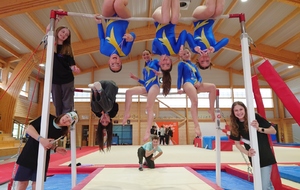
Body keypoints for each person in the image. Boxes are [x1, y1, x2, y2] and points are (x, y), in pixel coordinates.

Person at [14, 111, 78, 190]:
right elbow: (29, 129)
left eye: (69, 121)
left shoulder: (62, 132)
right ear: (64, 115)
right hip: (29, 153)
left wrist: (55, 148)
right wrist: (41, 139)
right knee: (22, 182)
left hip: (43, 157)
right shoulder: (47, 118)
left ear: (70, 124)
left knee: (37, 183)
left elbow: (49, 142)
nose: (65, 120)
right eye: (67, 117)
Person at [122, 50, 172, 142]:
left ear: (150, 55)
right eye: (143, 54)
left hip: (154, 86)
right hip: (146, 87)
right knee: (128, 92)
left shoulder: (155, 62)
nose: (145, 56)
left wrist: (160, 73)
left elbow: (165, 69)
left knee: (148, 107)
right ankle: (126, 113)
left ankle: (147, 131)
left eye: (147, 54)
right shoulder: (144, 69)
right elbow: (145, 82)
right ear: (142, 57)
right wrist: (136, 78)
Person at [229, 101, 277, 190]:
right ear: (233, 112)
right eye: (236, 110)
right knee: (267, 185)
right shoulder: (235, 125)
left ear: (245, 109)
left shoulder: (255, 117)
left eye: (241, 109)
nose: (239, 112)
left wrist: (259, 128)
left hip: (265, 155)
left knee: (263, 186)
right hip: (254, 156)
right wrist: (247, 153)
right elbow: (237, 144)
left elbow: (273, 130)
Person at [46, 13, 81, 116]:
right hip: (55, 79)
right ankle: (60, 121)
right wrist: (57, 19)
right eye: (63, 32)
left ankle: (66, 122)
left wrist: (75, 68)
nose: (64, 35)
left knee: (67, 103)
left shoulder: (67, 49)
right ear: (58, 31)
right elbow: (48, 30)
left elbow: (71, 63)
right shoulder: (52, 43)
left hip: (67, 79)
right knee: (57, 103)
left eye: (66, 35)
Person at [177, 47, 216, 137]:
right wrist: (179, 88)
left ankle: (211, 109)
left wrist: (199, 82)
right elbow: (179, 77)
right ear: (181, 56)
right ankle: (196, 125)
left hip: (196, 83)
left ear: (190, 53)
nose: (186, 55)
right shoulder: (181, 64)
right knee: (195, 101)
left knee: (212, 87)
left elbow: (199, 76)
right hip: (188, 83)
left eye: (187, 53)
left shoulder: (194, 65)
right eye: (184, 54)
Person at [94, 0, 136, 73]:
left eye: (112, 64)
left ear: (108, 62)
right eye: (118, 64)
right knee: (118, 4)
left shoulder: (103, 50)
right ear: (121, 62)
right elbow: (133, 34)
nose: (115, 61)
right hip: (124, 19)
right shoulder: (125, 52)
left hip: (109, 19)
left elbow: (101, 37)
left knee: (108, 1)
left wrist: (99, 23)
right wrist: (131, 37)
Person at [186, 0, 229, 70]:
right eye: (207, 61)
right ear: (210, 59)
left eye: (202, 61)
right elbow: (226, 39)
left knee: (211, 10)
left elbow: (188, 35)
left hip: (197, 19)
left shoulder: (195, 50)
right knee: (219, 9)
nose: (205, 58)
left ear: (198, 60)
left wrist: (194, 46)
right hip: (211, 19)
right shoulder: (213, 48)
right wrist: (215, 48)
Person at [88, 80, 119, 152]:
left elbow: (92, 105)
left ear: (99, 120)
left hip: (99, 83)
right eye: (106, 121)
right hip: (110, 86)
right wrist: (106, 111)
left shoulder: (97, 113)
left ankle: (95, 91)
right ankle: (99, 90)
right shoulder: (113, 113)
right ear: (110, 121)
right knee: (107, 108)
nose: (104, 118)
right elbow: (115, 104)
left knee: (96, 109)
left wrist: (100, 111)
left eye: (102, 121)